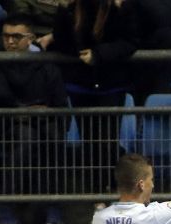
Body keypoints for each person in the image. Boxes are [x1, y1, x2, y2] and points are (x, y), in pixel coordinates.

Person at [0, 13, 69, 224]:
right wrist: (22, 112)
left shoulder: (47, 66)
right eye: (6, 36)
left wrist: (41, 115)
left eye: (17, 37)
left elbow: (60, 107)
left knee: (52, 134)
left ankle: (52, 210)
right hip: (2, 128)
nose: (10, 41)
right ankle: (3, 210)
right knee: (26, 136)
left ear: (30, 38)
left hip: (41, 127)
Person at [49, 0, 141, 193]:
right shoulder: (73, 7)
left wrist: (99, 54)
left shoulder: (121, 6)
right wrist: (62, 11)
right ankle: (97, 192)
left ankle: (110, 188)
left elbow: (131, 42)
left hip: (112, 85)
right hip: (80, 85)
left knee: (107, 141)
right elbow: (62, 43)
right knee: (90, 143)